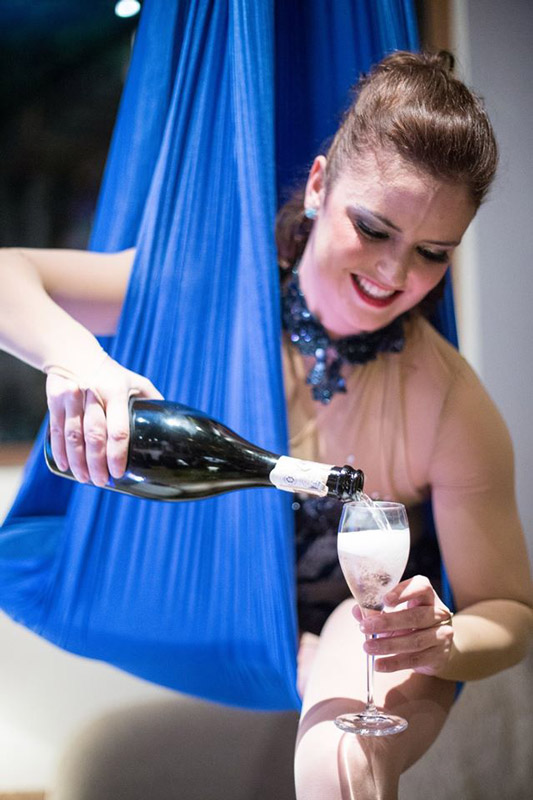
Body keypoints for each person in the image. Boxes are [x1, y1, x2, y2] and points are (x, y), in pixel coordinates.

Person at [1, 51, 532, 799]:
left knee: (341, 756)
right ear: (317, 186)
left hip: (361, 634)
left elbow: (508, 612)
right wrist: (78, 360)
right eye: (372, 228)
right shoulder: (206, 294)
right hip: (201, 608)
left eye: (431, 253)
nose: (394, 275)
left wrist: (443, 640)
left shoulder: (449, 405)